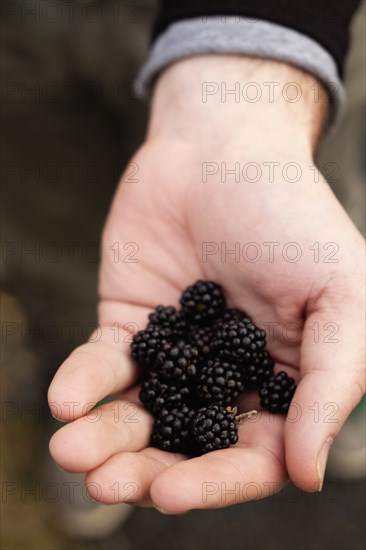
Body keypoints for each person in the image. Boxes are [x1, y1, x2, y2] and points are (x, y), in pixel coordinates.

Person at [41, 0, 364, 512]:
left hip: (302, 24)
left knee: (328, 230)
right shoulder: (191, 350)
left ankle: (342, 405)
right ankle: (74, 401)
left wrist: (251, 97)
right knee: (54, 245)